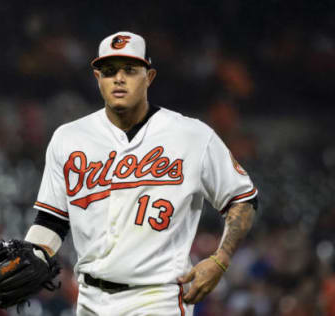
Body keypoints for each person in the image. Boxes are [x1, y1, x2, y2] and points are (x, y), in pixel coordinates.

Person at [24, 31, 258, 315]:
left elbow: (242, 199)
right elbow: (52, 219)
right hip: (89, 300)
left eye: (130, 70)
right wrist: (32, 256)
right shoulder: (69, 137)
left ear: (149, 77)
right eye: (109, 71)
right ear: (98, 78)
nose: (119, 78)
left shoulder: (192, 135)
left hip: (157, 298)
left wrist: (220, 260)